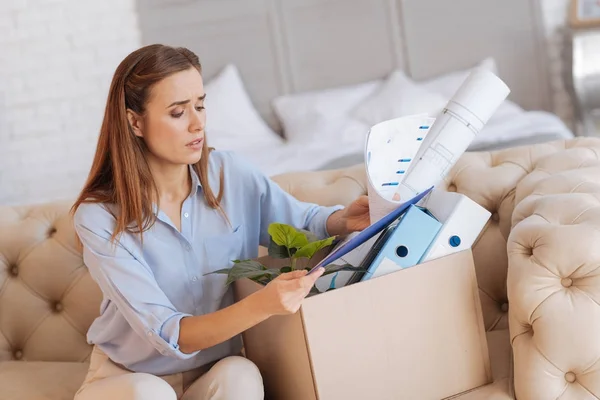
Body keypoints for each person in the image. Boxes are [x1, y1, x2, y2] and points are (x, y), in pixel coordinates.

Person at [71, 44, 370, 400]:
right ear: (135, 122)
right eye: (178, 112)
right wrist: (262, 304)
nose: (198, 124)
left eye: (200, 105)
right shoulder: (100, 217)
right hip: (126, 379)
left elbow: (302, 220)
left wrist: (342, 219)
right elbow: (168, 332)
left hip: (209, 374)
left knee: (240, 375)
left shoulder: (231, 174)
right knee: (149, 394)